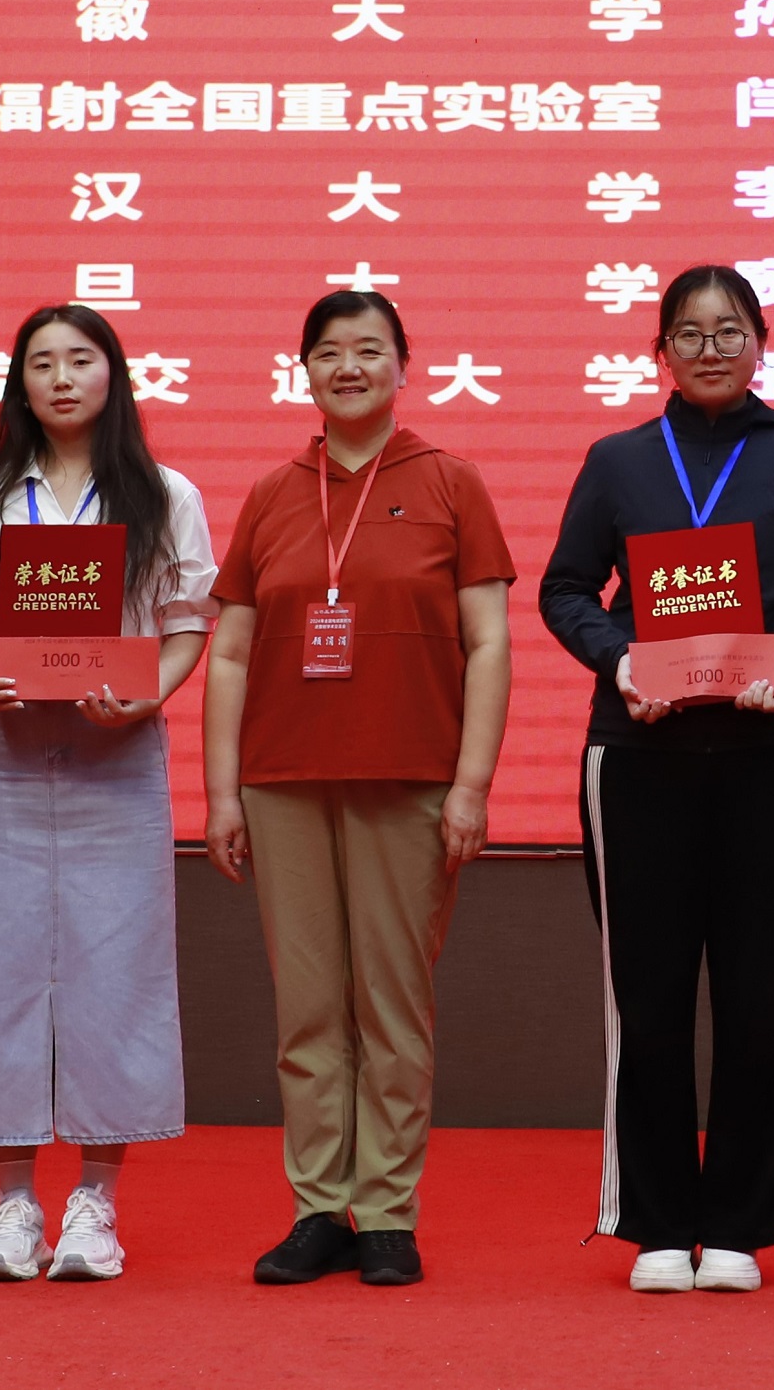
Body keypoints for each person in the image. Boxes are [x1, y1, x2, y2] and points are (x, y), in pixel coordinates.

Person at [540, 265, 774, 1294]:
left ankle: (738, 1220)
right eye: (688, 333)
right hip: (637, 758)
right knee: (645, 998)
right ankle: (653, 1221)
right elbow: (565, 587)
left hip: (768, 757)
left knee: (760, 996)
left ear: (761, 342)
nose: (710, 349)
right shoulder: (619, 459)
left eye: (730, 330)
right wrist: (619, 660)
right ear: (660, 353)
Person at [203, 290, 515, 1289]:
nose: (348, 366)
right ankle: (316, 1208)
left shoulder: (450, 481)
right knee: (306, 1011)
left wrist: (471, 784)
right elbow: (231, 652)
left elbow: (488, 641)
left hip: (409, 776)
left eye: (369, 349)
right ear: (302, 370)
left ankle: (384, 1211)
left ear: (402, 366)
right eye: (328, 351)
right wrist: (221, 792)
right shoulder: (272, 492)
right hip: (283, 779)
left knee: (391, 1007)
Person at [0, 304, 218, 1284]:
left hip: (118, 754)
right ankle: (11, 1206)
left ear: (113, 374)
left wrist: (151, 692)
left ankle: (95, 1203)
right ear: (18, 381)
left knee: (118, 971)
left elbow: (187, 617)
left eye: (80, 359)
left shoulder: (163, 493)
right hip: (9, 755)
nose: (60, 378)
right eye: (41, 362)